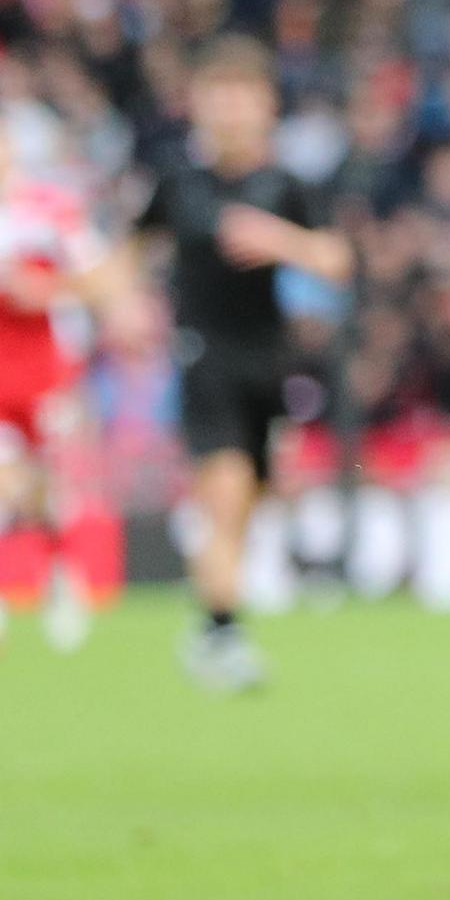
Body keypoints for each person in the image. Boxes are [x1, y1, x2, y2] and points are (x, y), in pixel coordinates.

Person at [137, 39, 350, 692]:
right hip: (205, 356)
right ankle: (222, 636)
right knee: (225, 493)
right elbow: (128, 250)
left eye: (242, 97)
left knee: (252, 501)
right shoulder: (179, 182)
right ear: (198, 105)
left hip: (270, 362)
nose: (229, 111)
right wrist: (127, 307)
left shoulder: (286, 187)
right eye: (217, 97)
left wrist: (279, 240)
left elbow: (337, 261)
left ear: (266, 107)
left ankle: (210, 625)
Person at [0, 106, 138, 655]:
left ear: (12, 153)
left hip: (41, 368)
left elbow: (102, 279)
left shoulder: (50, 210)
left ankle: (62, 570)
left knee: (42, 490)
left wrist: (44, 291)